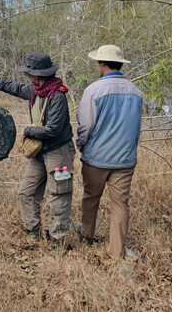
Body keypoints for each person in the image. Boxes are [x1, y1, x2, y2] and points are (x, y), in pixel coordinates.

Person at [0, 53, 75, 246]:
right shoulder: (35, 91)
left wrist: (28, 130)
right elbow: (15, 88)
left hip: (58, 152)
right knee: (26, 192)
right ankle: (33, 231)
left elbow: (53, 130)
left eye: (30, 73)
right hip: (38, 151)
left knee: (59, 195)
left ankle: (57, 241)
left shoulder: (58, 96)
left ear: (41, 74)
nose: (27, 76)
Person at [74, 45, 143, 259]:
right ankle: (116, 251)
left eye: (97, 62)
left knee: (91, 196)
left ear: (102, 64)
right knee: (120, 204)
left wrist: (81, 145)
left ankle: (87, 234)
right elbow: (137, 130)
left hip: (97, 158)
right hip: (125, 159)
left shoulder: (93, 91)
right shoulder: (136, 92)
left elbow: (85, 125)